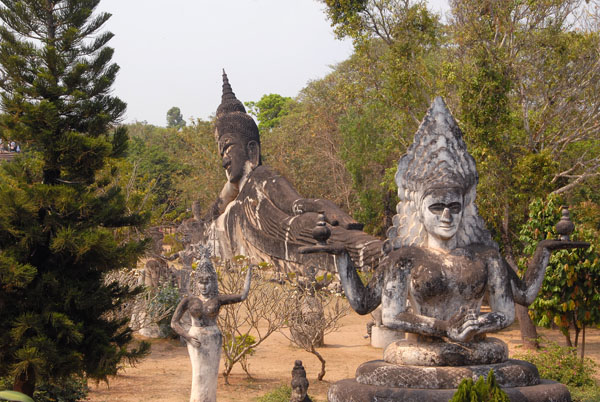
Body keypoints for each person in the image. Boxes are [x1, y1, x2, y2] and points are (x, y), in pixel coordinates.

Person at [303, 97, 582, 343]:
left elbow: (517, 301)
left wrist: (543, 251)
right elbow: (374, 308)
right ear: (419, 211)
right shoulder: (405, 258)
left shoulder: (486, 256)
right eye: (437, 207)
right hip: (422, 351)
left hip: (477, 349)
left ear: (465, 207)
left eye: (454, 207)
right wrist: (444, 328)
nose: (447, 215)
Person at [201, 71, 382, 274]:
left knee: (311, 226)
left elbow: (294, 204)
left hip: (288, 230)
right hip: (270, 245)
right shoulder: (236, 199)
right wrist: (230, 189)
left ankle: (380, 254)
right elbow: (210, 218)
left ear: (251, 150)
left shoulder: (262, 176)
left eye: (228, 148)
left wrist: (322, 205)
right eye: (221, 153)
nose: (224, 159)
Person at [171, 253, 252, 402]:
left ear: (213, 282)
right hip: (195, 338)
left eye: (207, 282)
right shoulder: (189, 300)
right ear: (196, 283)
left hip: (214, 339)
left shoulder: (218, 299)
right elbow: (174, 323)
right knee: (198, 374)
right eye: (201, 282)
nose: (204, 286)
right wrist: (187, 337)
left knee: (211, 375)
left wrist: (249, 272)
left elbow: (242, 296)